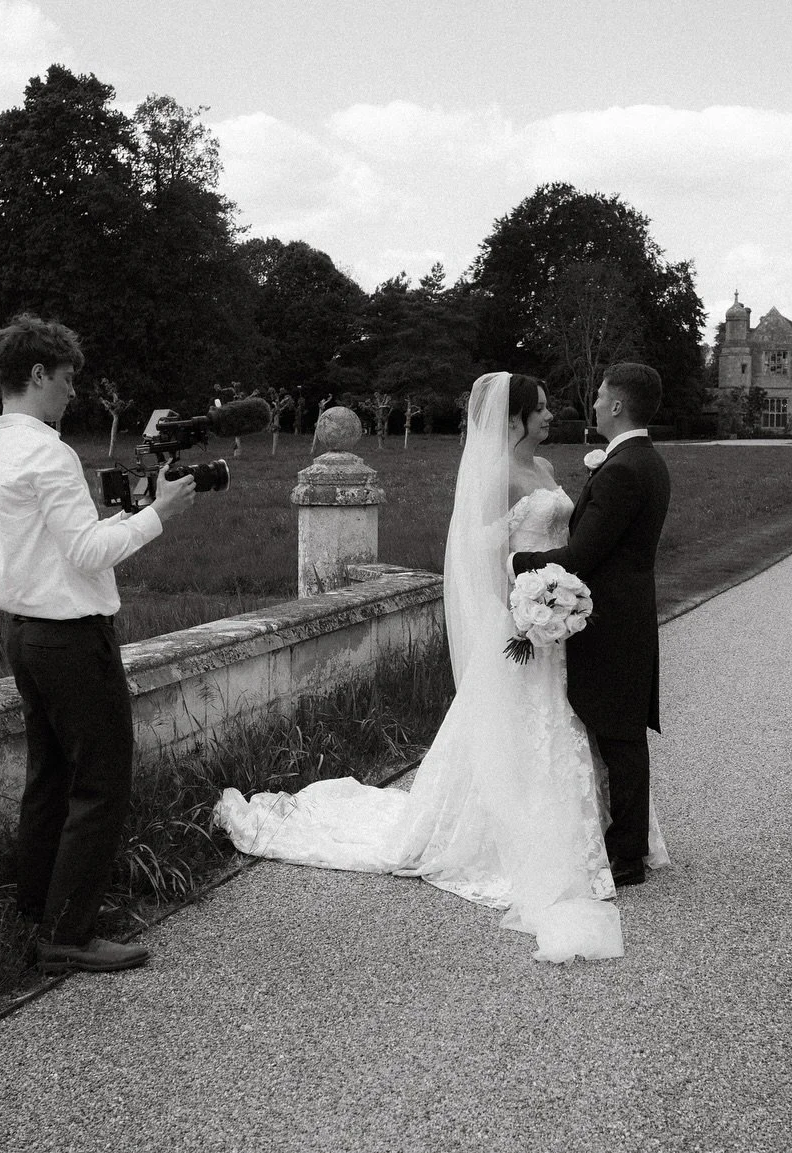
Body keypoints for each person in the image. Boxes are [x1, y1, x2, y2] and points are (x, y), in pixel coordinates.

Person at [215, 371, 666, 962]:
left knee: (572, 725)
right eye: (544, 409)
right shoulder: (496, 476)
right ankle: (530, 839)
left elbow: (579, 540)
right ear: (514, 420)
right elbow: (475, 548)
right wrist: (524, 583)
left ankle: (602, 837)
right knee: (530, 725)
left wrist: (549, 589)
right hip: (526, 620)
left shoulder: (553, 472)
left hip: (556, 622)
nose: (552, 416)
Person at [0, 313, 199, 975]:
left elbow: (66, 543)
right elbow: (88, 549)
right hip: (71, 641)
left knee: (49, 780)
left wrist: (135, 507)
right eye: (68, 379)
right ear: (39, 374)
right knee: (100, 784)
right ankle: (67, 932)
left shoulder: (4, 449)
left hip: (27, 636)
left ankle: (38, 910)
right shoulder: (46, 451)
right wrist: (161, 513)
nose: (75, 392)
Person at [511, 362, 672, 888]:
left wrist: (515, 565)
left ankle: (626, 857)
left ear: (618, 406)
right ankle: (628, 844)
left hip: (614, 623)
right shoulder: (640, 460)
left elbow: (581, 553)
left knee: (620, 737)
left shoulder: (625, 469)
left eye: (601, 395)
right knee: (617, 735)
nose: (595, 402)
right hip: (623, 616)